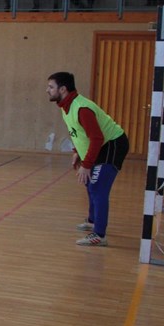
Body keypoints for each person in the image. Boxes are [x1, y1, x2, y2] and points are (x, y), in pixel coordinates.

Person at [47, 72, 128, 246]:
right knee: (90, 182)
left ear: (63, 89)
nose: (48, 90)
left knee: (97, 187)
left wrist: (87, 164)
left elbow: (97, 138)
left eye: (51, 87)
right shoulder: (65, 106)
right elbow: (78, 133)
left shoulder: (82, 108)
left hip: (112, 145)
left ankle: (99, 235)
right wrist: (77, 152)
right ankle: (93, 220)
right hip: (100, 145)